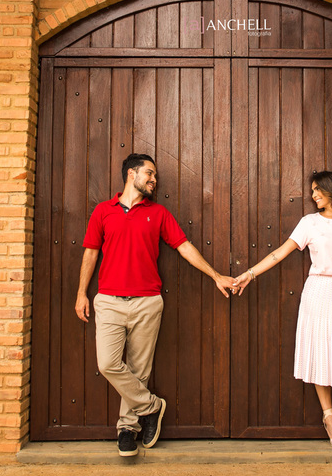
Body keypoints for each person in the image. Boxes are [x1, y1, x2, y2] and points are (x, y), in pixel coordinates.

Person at [76, 153, 236, 457]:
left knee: (139, 370)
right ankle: (151, 406)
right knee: (108, 364)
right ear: (131, 174)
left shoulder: (159, 213)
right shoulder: (103, 212)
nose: (153, 180)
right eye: (149, 174)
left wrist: (215, 275)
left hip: (148, 302)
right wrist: (81, 293)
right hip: (108, 300)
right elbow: (90, 252)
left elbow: (184, 246)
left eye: (155, 177)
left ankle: (127, 429)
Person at [233, 170, 332, 449]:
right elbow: (279, 253)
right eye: (312, 191)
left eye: (318, 189)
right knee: (321, 353)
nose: (313, 195)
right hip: (317, 291)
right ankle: (329, 417)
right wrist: (250, 273)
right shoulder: (309, 222)